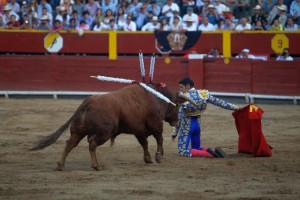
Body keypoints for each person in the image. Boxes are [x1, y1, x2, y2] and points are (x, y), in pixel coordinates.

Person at [172, 77, 241, 158]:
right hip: (197, 125)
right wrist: (236, 107)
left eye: (181, 87)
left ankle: (210, 154)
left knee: (182, 151)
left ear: (187, 86)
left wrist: (175, 133)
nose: (180, 89)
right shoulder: (203, 94)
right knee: (196, 148)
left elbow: (179, 117)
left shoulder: (183, 98)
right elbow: (220, 102)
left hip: (187, 127)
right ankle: (213, 151)